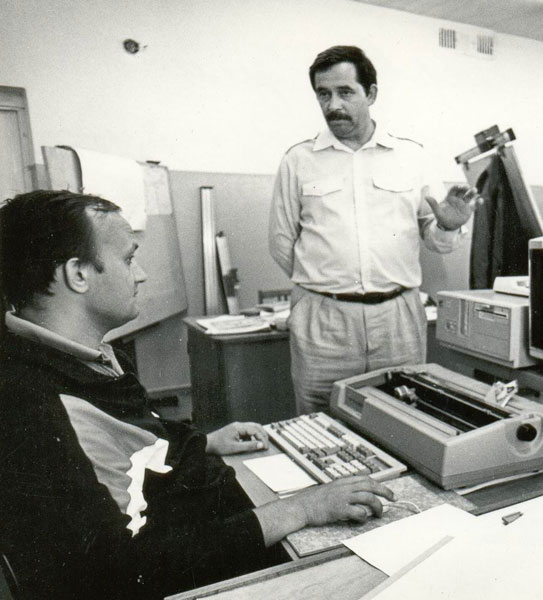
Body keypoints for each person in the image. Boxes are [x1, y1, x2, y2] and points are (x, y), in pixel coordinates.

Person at [0, 190, 394, 600]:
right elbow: (126, 572)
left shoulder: (79, 356)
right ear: (77, 274)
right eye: (129, 259)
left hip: (199, 527)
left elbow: (133, 439)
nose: (141, 275)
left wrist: (206, 442)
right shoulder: (40, 408)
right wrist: (300, 509)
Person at [269, 45, 480, 414]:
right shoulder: (298, 160)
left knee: (403, 417)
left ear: (371, 93)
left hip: (396, 320)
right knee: (321, 421)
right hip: (324, 322)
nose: (333, 105)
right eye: (323, 94)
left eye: (345, 92)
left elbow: (435, 239)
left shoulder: (411, 156)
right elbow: (281, 241)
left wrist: (447, 225)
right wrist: (326, 287)